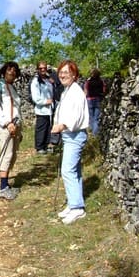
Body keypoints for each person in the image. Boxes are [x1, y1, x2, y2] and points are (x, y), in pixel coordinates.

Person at [51, 60, 89, 224]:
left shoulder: (76, 92)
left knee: (67, 170)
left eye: (66, 72)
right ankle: (73, 203)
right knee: (75, 171)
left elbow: (76, 116)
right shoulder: (67, 90)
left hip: (74, 135)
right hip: (69, 136)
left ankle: (77, 208)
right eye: (61, 72)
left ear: (74, 74)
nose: (62, 75)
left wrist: (62, 125)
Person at [0, 61, 23, 200]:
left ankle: (6, 184)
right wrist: (7, 123)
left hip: (16, 126)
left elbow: (17, 108)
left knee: (13, 156)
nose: (12, 72)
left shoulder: (13, 88)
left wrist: (19, 127)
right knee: (6, 155)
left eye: (15, 71)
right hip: (6, 127)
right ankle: (2, 188)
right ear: (4, 72)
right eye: (10, 70)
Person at [30, 61, 54, 154]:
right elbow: (35, 97)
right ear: (37, 69)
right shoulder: (35, 81)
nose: (43, 70)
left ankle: (46, 145)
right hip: (41, 109)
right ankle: (39, 147)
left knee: (48, 128)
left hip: (49, 109)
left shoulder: (48, 80)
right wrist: (45, 102)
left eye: (44, 68)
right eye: (41, 68)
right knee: (41, 128)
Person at [84, 68, 106, 136]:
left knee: (90, 117)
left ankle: (90, 133)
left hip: (90, 99)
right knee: (96, 118)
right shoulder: (101, 81)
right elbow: (104, 90)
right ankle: (95, 134)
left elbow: (85, 90)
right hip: (98, 99)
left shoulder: (88, 81)